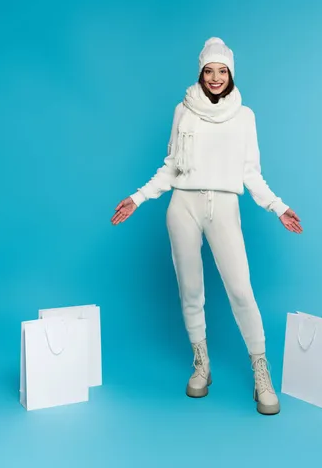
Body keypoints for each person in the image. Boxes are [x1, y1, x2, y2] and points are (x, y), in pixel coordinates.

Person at [111, 37, 303, 415]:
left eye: (222, 71)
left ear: (231, 74)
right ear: (200, 73)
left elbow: (251, 173)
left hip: (225, 206)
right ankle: (202, 364)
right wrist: (138, 197)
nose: (215, 78)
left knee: (241, 290)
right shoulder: (184, 110)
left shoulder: (244, 116)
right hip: (182, 204)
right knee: (190, 290)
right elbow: (171, 165)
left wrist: (278, 207)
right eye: (208, 71)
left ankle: (260, 371)